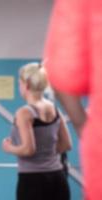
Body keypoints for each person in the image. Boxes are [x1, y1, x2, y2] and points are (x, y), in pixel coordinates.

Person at [43, 0, 102, 199]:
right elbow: (65, 145)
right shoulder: (52, 113)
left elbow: (63, 79)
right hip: (57, 174)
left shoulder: (26, 115)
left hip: (37, 179)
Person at [2, 62, 72, 200]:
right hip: (58, 179)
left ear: (26, 85)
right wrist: (46, 152)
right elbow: (66, 144)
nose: (19, 87)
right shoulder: (54, 109)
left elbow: (29, 149)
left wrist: (9, 147)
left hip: (33, 182)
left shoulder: (25, 113)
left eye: (19, 83)